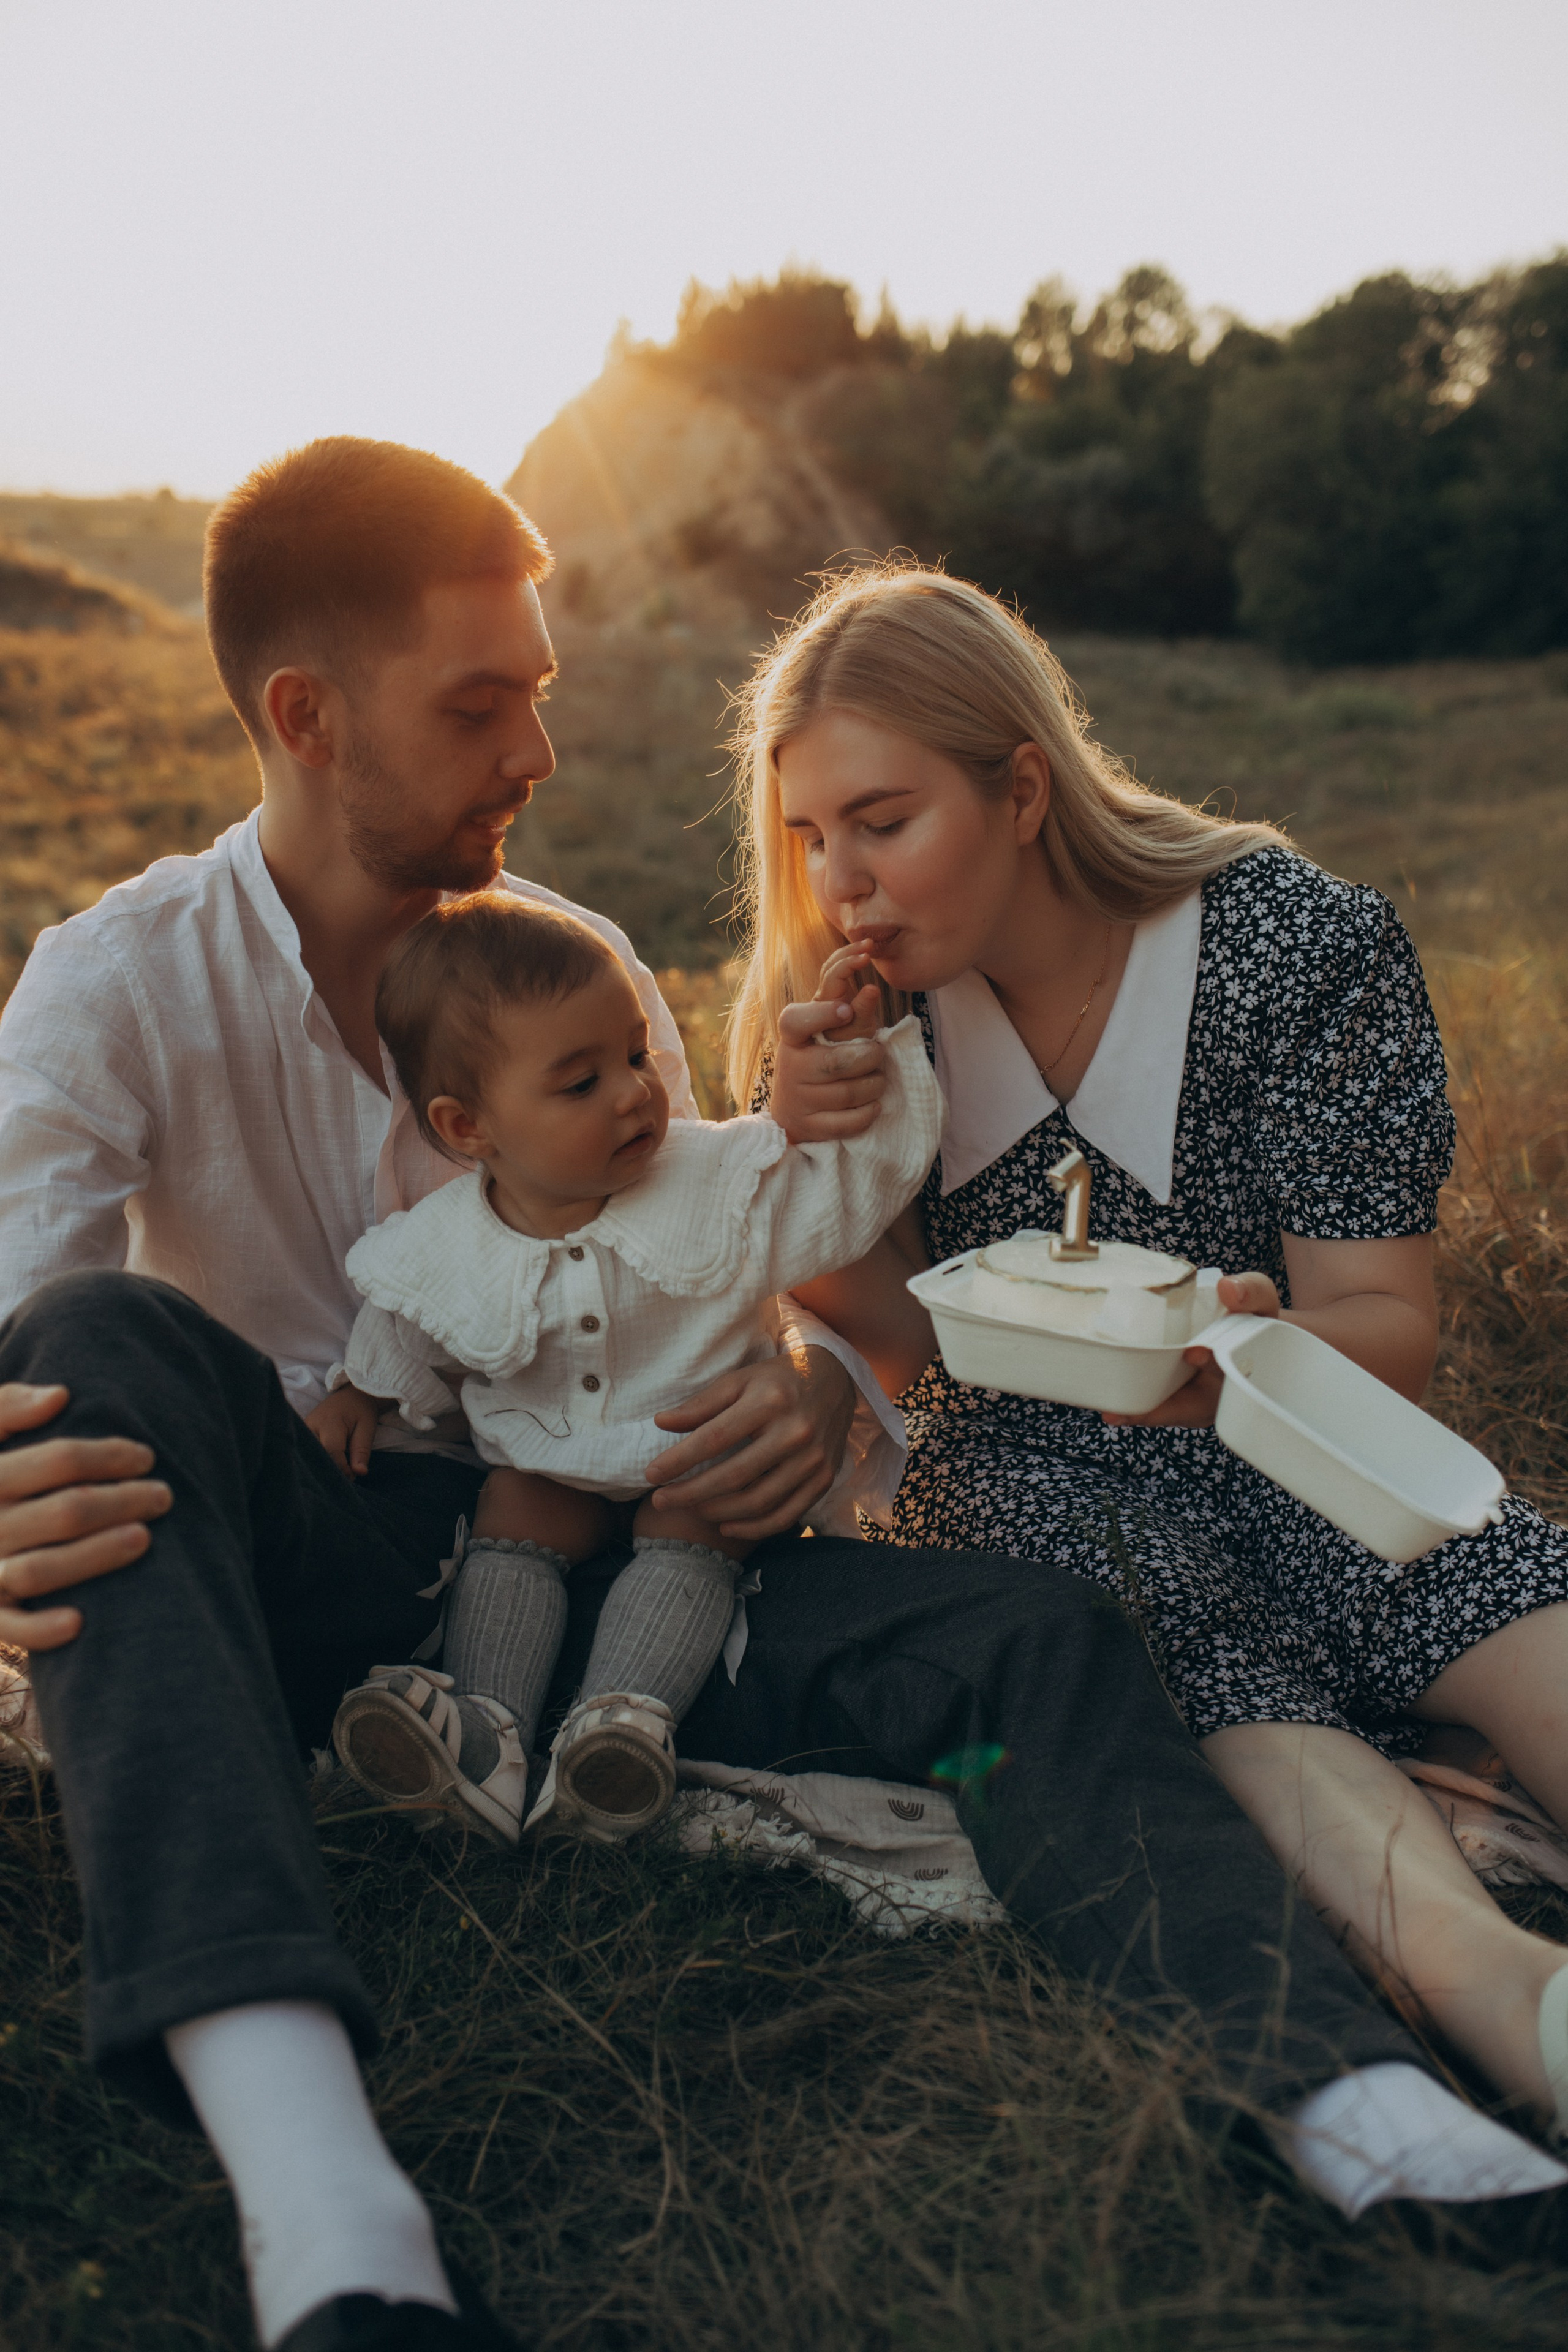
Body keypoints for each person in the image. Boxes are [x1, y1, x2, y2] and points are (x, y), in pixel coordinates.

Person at [0, 445, 1560, 2352]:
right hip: (328, 1561)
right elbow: (23, 1355)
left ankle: (1353, 2103)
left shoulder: (582, 973)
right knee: (96, 1337)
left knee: (1045, 1629)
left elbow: (749, 1262)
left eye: (542, 698)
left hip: (660, 1556)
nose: (540, 755)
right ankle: (331, 2217)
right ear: (308, 718)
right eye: (483, 706)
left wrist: (815, 1390)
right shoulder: (115, 987)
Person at [724, 558, 1568, 2154]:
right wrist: (811, 1167)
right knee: (1168, 1618)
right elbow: (893, 1348)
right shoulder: (852, 1026)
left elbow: (1387, 1320)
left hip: (1292, 1421)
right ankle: (1503, 1997)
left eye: (882, 821)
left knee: (1479, 1571)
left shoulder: (1290, 946)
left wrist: (1250, 1356)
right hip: (1033, 1483)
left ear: (1022, 785)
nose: (840, 884)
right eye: (808, 837)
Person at [315, 894, 939, 1847]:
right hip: (551, 1461)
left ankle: (621, 1723)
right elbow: (411, 1323)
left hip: (691, 1454)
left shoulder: (709, 1181)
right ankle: (489, 1734)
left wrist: (857, 1081)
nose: (632, 1093)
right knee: (517, 1507)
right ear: (469, 1125)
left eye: (637, 1055)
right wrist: (361, 1393)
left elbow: (832, 1204)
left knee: (701, 1510)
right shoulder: (443, 1243)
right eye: (580, 1084)